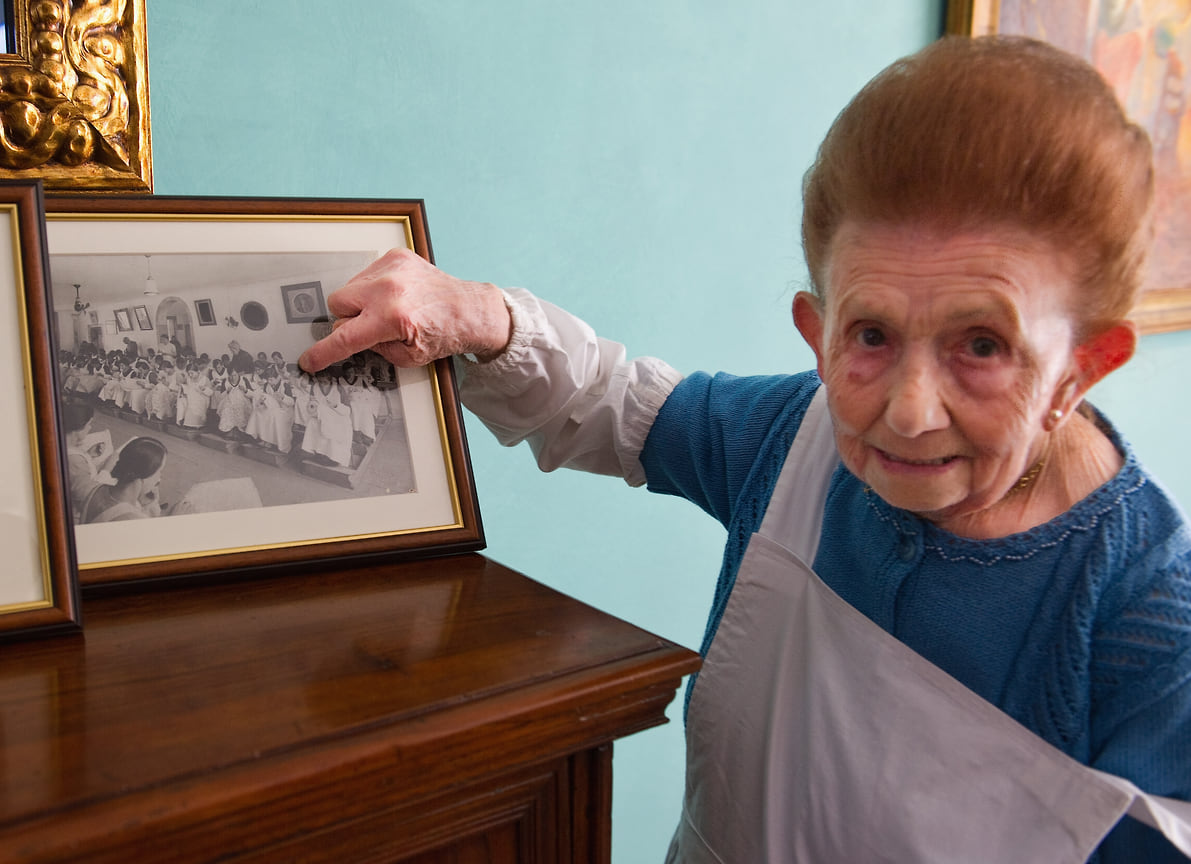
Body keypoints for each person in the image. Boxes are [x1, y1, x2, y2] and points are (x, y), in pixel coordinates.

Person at [298, 36, 1191, 863]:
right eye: (870, 335)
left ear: (1083, 367)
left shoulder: (1147, 627)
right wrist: (479, 316)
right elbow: (615, 404)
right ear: (816, 330)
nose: (910, 414)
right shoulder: (792, 439)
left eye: (982, 346)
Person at [79, 437, 167, 523]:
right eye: (160, 471)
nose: (159, 478)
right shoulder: (133, 519)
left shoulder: (96, 488)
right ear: (146, 473)